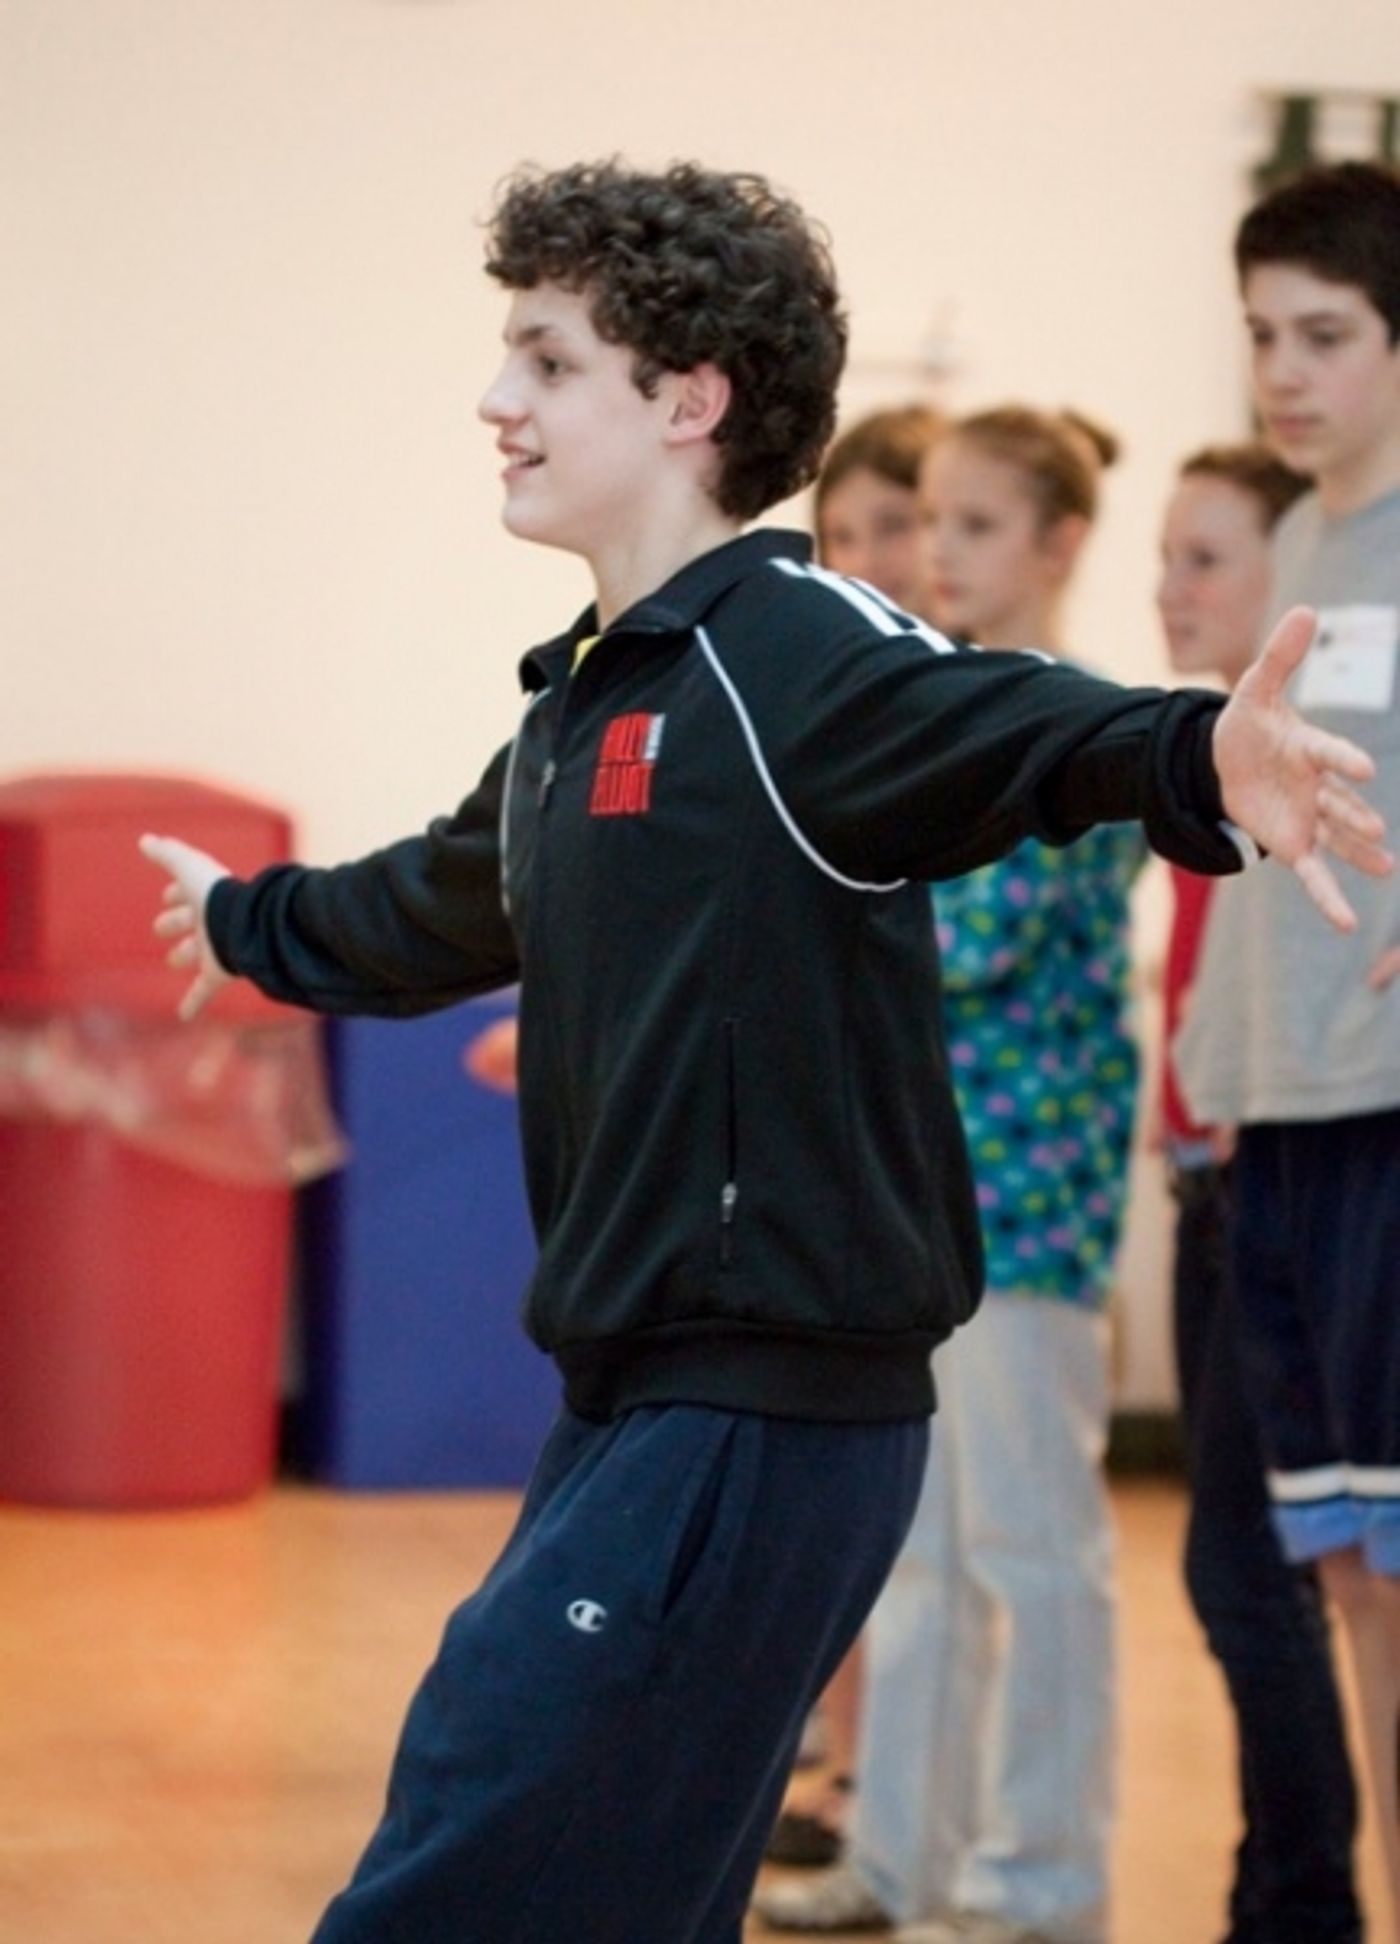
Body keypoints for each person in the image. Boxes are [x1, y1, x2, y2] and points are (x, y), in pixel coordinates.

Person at [138, 160, 1387, 1944]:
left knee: (466, 1841)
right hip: (641, 1393)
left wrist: (1201, 756)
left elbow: (1012, 725)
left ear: (688, 399)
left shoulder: (796, 654)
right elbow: (439, 895)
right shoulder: (593, 697)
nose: (498, 402)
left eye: (547, 361)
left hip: (765, 1404)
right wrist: (250, 922)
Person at [757, 405, 1147, 1944]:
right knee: (910, 1552)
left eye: (976, 525)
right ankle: (902, 1858)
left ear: (1057, 543)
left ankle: (1040, 1881)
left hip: (1031, 1209)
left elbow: (956, 945)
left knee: (1033, 1556)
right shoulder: (946, 710)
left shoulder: (1082, 723)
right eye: (933, 520)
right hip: (914, 1195)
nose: (937, 553)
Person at [1175, 159, 1400, 1938]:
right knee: (1343, 1572)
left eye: (1323, 335)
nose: (1282, 371)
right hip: (1275, 1116)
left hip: (1386, 1112)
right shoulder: (1305, 546)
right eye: (1262, 333)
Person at [1159, 443, 1363, 1944]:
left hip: (1280, 1177)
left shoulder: (1325, 767)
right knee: (1256, 1571)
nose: (1178, 590)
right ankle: (1280, 1895)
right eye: (1168, 557)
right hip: (1215, 1182)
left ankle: (1296, 1904)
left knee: (1268, 1572)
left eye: (1209, 559)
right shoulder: (1195, 762)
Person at [764, 400, 948, 1874]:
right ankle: (854, 1779)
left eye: (909, 524)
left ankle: (938, 1831)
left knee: (975, 1562)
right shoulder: (816, 712)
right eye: (852, 532)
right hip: (862, 1196)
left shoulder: (959, 718)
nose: (881, 556)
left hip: (978, 1209)